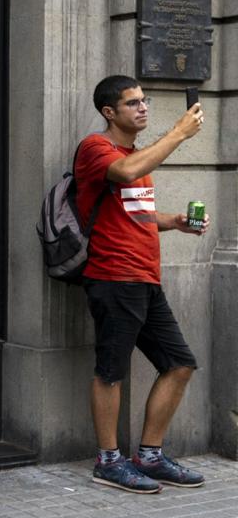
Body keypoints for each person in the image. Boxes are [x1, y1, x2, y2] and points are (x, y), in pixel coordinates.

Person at [75, 75, 208, 494]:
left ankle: (149, 455)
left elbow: (136, 214)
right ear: (109, 112)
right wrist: (179, 134)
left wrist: (175, 222)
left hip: (146, 279)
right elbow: (126, 171)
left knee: (180, 363)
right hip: (114, 278)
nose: (143, 107)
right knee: (111, 372)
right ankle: (109, 461)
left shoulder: (137, 155)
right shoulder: (97, 149)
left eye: (144, 100)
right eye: (133, 103)